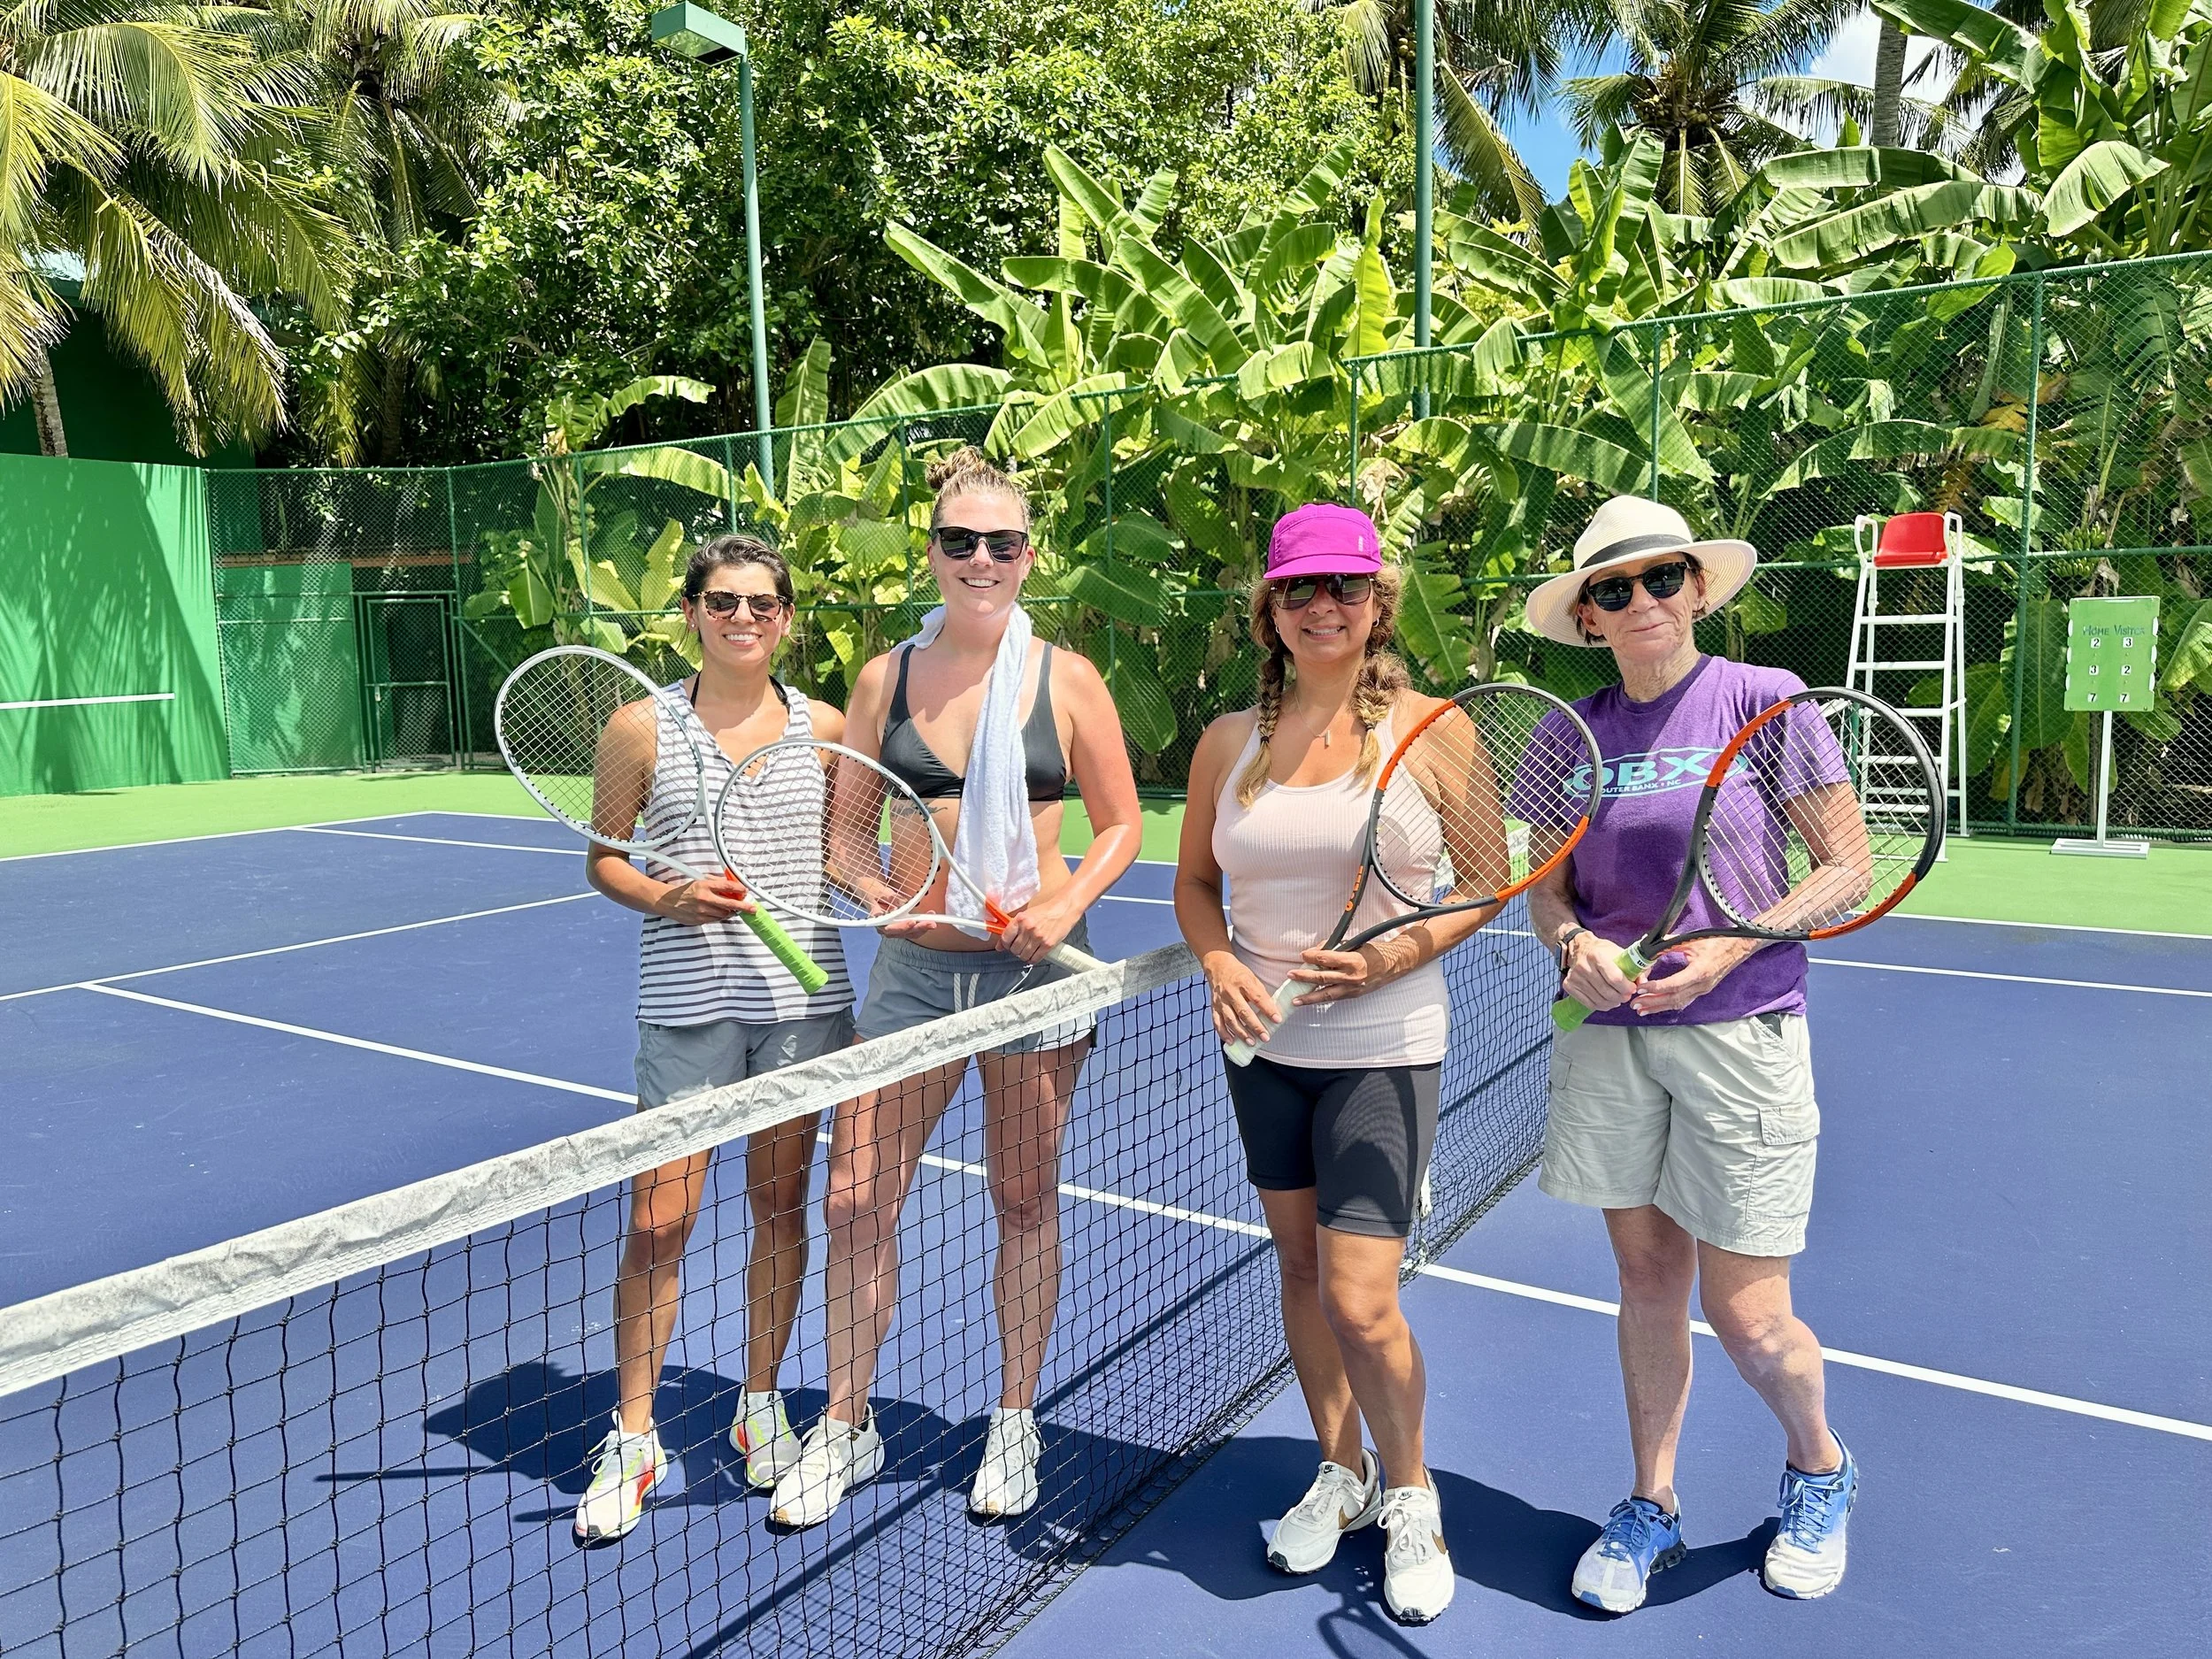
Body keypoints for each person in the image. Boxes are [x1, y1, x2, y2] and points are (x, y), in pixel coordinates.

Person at [767, 448, 1142, 1529]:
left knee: (1022, 1200)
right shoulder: (884, 678)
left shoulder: (1066, 679)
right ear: (933, 553)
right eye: (959, 541)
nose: (981, 559)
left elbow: (1117, 826)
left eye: (1002, 543)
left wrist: (1062, 911)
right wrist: (894, 902)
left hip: (1033, 978)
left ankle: (1013, 1422)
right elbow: (845, 840)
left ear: (1029, 557)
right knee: (854, 1202)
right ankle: (847, 1423)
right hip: (915, 974)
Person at [1519, 495, 1858, 1611]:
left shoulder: (1768, 703)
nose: (1641, 602)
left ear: (1698, 589)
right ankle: (1650, 1507)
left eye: (1661, 578)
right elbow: (1545, 894)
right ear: (1588, 616)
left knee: (1752, 1316)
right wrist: (1570, 946)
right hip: (1614, 1046)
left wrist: (1732, 943)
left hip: (1740, 1033)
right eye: (1611, 590)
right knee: (1646, 1281)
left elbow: (1846, 865)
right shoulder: (1568, 733)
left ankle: (1820, 1466)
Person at [1173, 503, 1490, 1627]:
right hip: (1260, 1047)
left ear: (1378, 604)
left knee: (1363, 1299)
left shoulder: (1432, 728)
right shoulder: (1227, 743)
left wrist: (1397, 950)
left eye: (1345, 589)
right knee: (1300, 1273)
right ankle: (1340, 1470)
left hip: (1384, 1049)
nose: (1324, 607)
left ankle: (1411, 1494)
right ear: (1269, 609)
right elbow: (1197, 889)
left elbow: (1485, 879)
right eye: (1300, 590)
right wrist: (1215, 963)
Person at [572, 534, 856, 1545]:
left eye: (764, 604)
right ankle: (635, 1436)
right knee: (659, 1223)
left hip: (803, 1016)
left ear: (786, 619)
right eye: (724, 602)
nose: (744, 619)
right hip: (688, 1008)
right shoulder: (638, 727)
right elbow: (604, 861)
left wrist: (912, 903)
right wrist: (671, 896)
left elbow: (847, 859)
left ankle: (760, 1402)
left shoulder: (825, 726)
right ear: (691, 612)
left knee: (781, 1206)